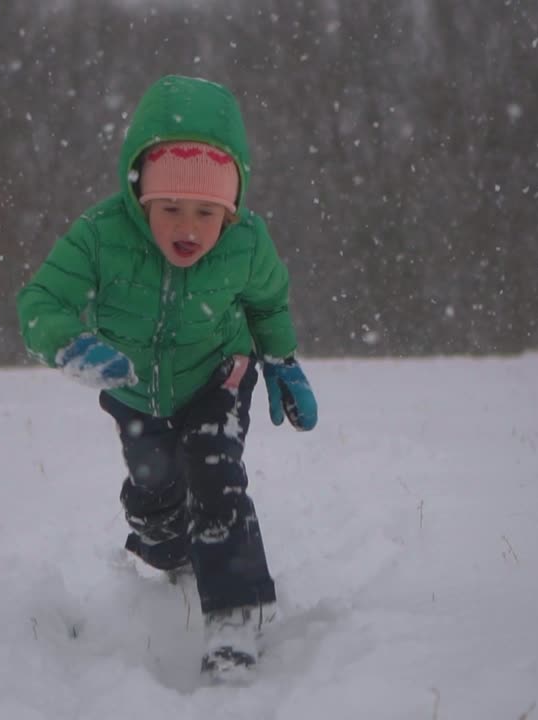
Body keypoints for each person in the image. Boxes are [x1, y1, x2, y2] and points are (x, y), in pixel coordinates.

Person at [16, 74, 317, 678]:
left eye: (207, 212)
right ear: (140, 197)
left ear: (229, 210)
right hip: (132, 387)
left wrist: (281, 360)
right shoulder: (102, 236)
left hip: (217, 374)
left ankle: (235, 616)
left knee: (216, 473)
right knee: (157, 500)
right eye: (170, 208)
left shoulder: (247, 244)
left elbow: (268, 304)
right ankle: (164, 540)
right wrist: (66, 342)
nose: (188, 227)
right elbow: (41, 300)